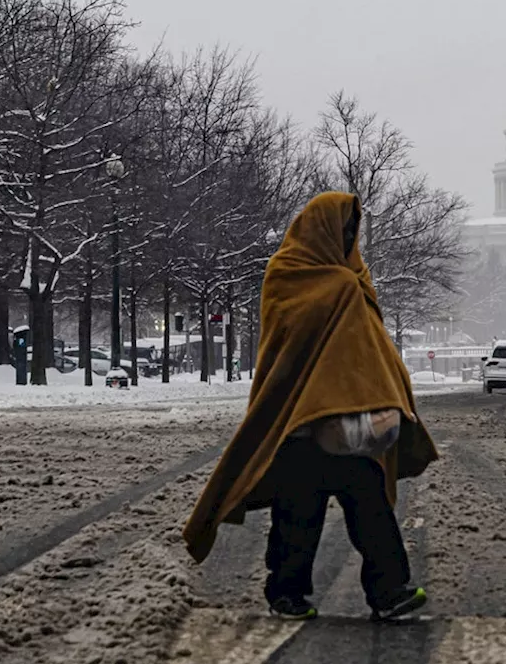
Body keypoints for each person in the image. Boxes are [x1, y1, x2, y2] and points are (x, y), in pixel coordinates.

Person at [183, 192, 439, 622]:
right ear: (321, 230)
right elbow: (288, 345)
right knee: (299, 515)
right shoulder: (294, 274)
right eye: (343, 230)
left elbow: (368, 344)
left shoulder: (351, 277)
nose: (348, 238)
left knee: (368, 510)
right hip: (301, 421)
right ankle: (291, 593)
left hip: (349, 420)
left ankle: (386, 590)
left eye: (351, 232)